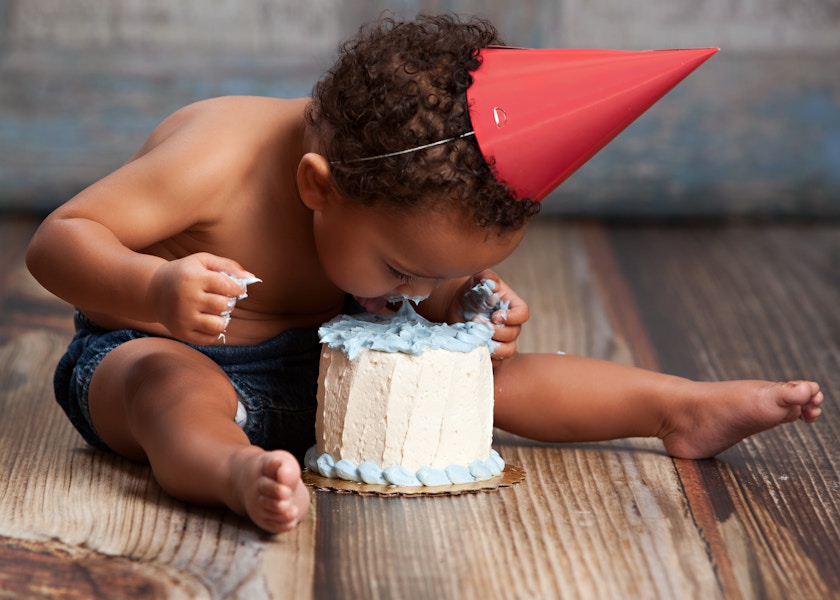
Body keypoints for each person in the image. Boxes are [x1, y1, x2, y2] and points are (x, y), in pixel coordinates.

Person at [26, 14, 823, 534]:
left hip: (330, 367)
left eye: (451, 269)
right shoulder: (215, 156)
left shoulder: (393, 223)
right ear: (317, 188)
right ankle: (230, 472)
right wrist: (153, 291)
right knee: (167, 386)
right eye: (405, 268)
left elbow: (432, 291)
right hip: (155, 354)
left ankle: (674, 408)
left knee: (476, 381)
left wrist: (469, 304)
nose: (414, 290)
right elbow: (59, 240)